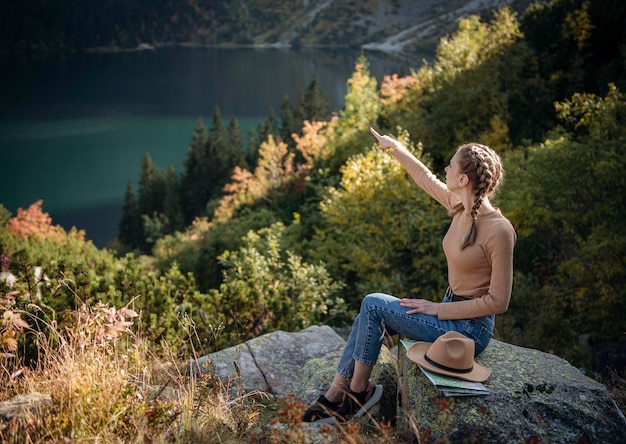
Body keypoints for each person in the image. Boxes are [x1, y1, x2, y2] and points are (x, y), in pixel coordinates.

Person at [302, 127, 516, 424]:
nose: (446, 169)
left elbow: (499, 301)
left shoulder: (500, 230)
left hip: (470, 330)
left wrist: (439, 309)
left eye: (451, 165)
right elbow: (425, 178)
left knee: (373, 304)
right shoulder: (459, 207)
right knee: (367, 313)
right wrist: (396, 148)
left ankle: (357, 392)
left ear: (463, 179)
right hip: (449, 312)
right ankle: (337, 394)